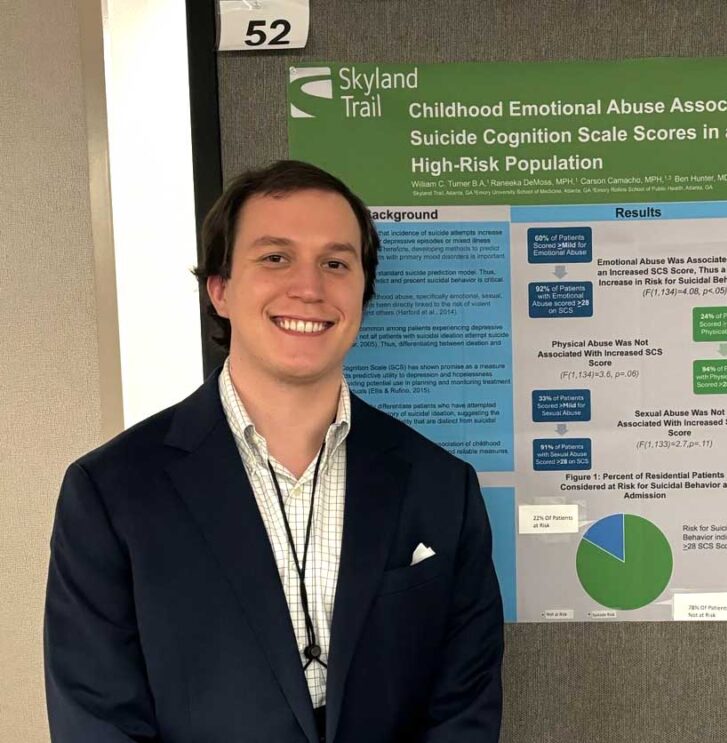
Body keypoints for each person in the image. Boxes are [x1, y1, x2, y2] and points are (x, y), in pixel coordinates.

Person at [44, 160, 504, 743]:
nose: (309, 288)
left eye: (336, 263)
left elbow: (463, 708)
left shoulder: (442, 485)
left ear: (363, 291)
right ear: (220, 289)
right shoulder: (111, 493)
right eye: (275, 258)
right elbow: (97, 721)